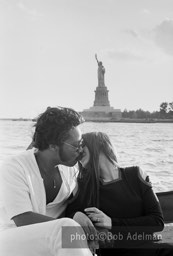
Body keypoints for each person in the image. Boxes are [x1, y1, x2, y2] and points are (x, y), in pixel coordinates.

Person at [0, 107, 93, 256]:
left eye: (81, 143)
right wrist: (73, 226)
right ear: (53, 145)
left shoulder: (70, 168)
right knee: (67, 228)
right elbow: (22, 219)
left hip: (54, 241)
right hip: (11, 240)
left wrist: (77, 215)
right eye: (76, 145)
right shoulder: (14, 167)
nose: (80, 150)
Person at [65, 132, 173, 255]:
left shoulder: (136, 174)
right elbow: (66, 217)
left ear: (100, 144)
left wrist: (112, 223)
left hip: (149, 249)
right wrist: (77, 215)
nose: (78, 150)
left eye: (82, 144)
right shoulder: (83, 186)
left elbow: (156, 222)